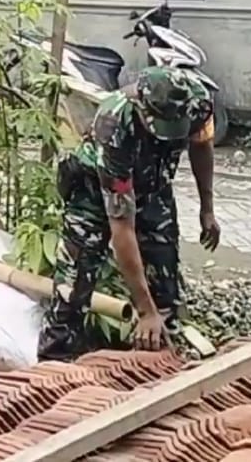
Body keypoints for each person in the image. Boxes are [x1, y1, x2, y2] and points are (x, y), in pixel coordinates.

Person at [39, 66, 221, 360]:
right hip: (96, 192)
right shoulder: (113, 123)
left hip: (152, 185)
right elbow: (121, 227)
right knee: (74, 284)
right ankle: (55, 361)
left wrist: (207, 209)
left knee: (165, 279)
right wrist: (143, 309)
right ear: (140, 105)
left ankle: (156, 358)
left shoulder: (198, 103)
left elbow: (202, 146)